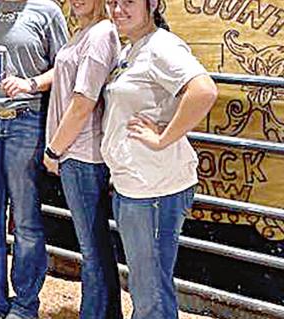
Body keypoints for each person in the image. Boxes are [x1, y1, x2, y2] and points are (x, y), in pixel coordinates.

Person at [102, 0, 218, 318]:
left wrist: (164, 137)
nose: (118, 9)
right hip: (134, 184)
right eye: (112, 2)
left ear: (152, 4)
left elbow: (203, 90)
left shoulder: (160, 47)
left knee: (150, 288)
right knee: (146, 283)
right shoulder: (132, 49)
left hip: (154, 187)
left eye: (128, 2)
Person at [0, 1, 68, 318]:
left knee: (26, 220)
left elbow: (63, 67)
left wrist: (30, 84)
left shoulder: (46, 10)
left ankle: (24, 305)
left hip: (26, 120)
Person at [43, 0, 122, 318]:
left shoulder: (100, 33)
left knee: (93, 249)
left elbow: (83, 101)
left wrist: (54, 149)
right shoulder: (85, 32)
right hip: (78, 151)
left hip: (83, 153)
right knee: (96, 246)